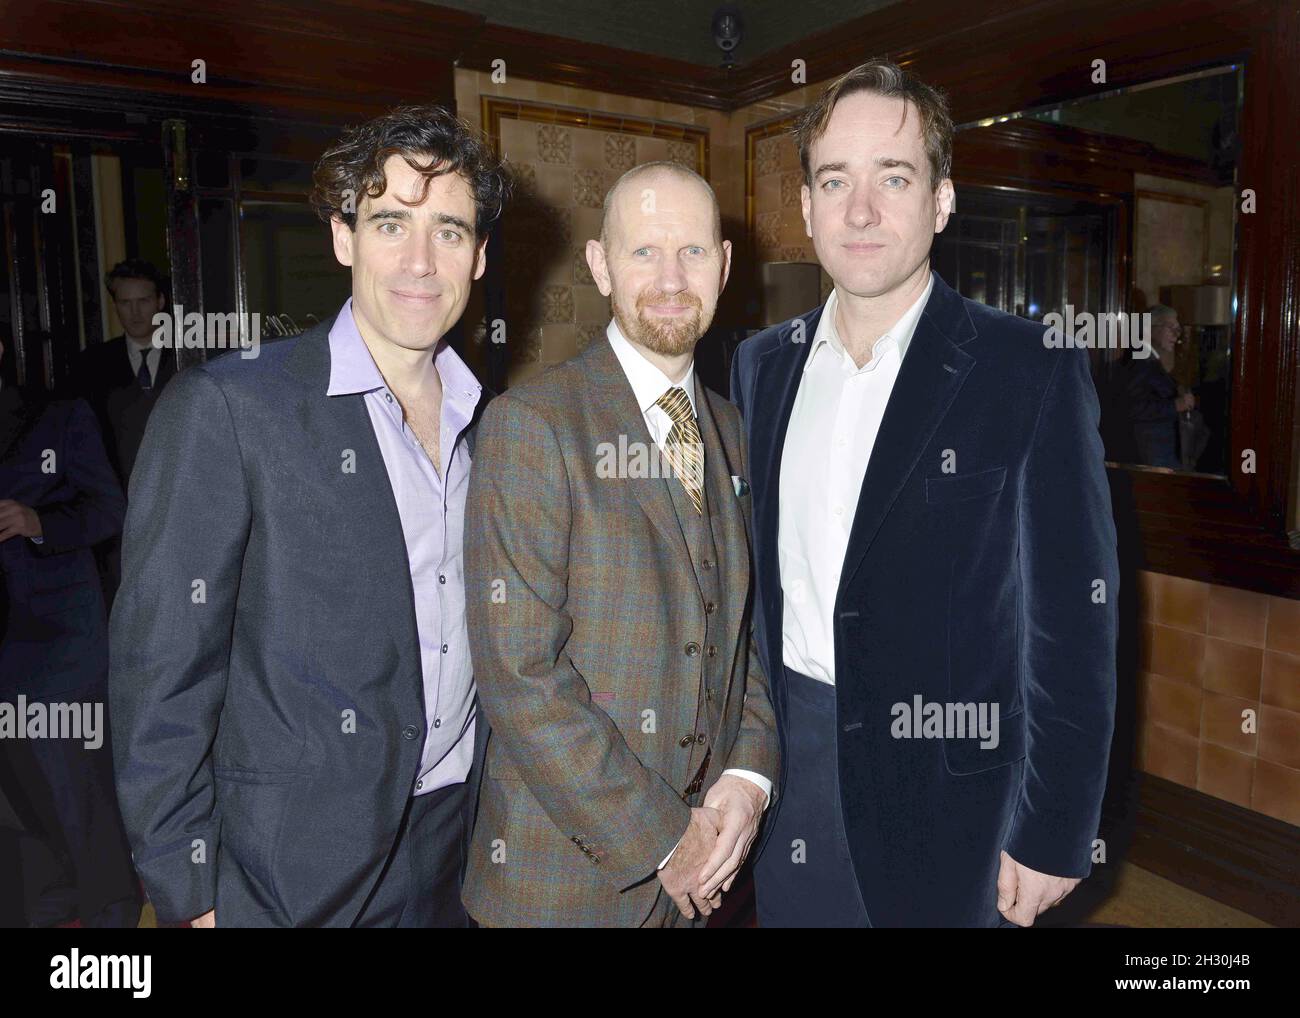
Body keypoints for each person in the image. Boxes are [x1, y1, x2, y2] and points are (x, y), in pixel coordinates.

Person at [731, 59, 1118, 927]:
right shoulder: (762, 364)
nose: (860, 210)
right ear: (805, 207)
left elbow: (1073, 625)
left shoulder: (1029, 369)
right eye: (835, 180)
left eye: (893, 177)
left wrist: (1055, 828)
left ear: (941, 200)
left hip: (956, 800)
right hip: (793, 777)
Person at [109, 105, 506, 927]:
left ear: (478, 256)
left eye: (450, 231)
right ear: (343, 237)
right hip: (284, 869)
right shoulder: (227, 407)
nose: (421, 261)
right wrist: (191, 893)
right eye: (391, 222)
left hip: (459, 850)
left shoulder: (496, 423)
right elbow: (161, 671)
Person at [462, 162, 778, 927]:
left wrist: (747, 774)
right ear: (601, 266)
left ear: (724, 267)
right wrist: (668, 842)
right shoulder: (532, 425)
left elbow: (751, 639)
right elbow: (519, 675)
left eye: (693, 253)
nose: (672, 278)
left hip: (702, 884)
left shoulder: (737, 431)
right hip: (562, 890)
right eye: (643, 252)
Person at [0, 332, 140, 927]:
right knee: (16, 793)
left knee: (73, 783)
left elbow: (111, 509)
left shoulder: (59, 417)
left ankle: (112, 914)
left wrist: (39, 521)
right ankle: (53, 903)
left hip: (58, 636)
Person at [68, 258, 176, 605]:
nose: (134, 312)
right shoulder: (91, 366)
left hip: (177, 507)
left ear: (160, 302)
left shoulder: (189, 356)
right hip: (117, 517)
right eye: (124, 303)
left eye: (143, 301)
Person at [1123, 304, 1191, 470]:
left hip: (1159, 458)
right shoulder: (1141, 362)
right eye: (1171, 328)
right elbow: (1132, 408)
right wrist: (1176, 404)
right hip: (1151, 461)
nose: (1176, 335)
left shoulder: (1149, 360)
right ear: (1150, 329)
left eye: (1178, 329)